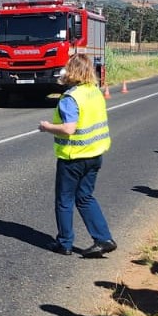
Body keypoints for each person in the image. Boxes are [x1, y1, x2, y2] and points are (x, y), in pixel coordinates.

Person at [37, 53, 115, 257]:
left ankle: (65, 243)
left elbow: (69, 128)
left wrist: (47, 127)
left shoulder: (71, 98)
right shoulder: (95, 92)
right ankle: (103, 238)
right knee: (85, 197)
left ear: (72, 71)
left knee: (64, 200)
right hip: (95, 154)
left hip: (73, 157)